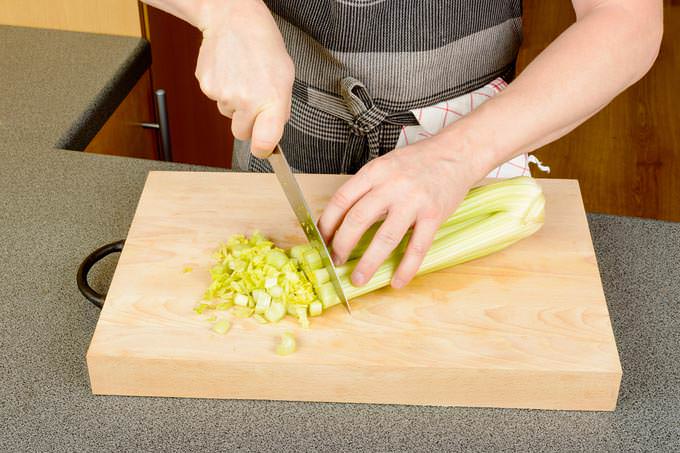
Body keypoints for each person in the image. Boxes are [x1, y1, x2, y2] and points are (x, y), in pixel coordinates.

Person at [143, 0, 663, 289]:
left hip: (473, 147)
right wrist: (224, 10)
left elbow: (626, 21)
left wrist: (456, 156)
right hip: (287, 129)